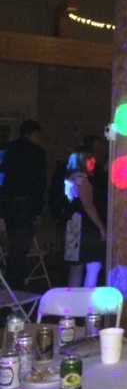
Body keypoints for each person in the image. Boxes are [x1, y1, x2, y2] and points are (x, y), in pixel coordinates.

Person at [0, 119, 47, 289]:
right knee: (21, 245)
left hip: (7, 203)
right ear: (34, 133)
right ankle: (14, 282)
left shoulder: (6, 149)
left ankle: (11, 280)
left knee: (14, 241)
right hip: (26, 205)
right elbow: (39, 183)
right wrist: (38, 211)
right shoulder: (37, 152)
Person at [63, 146, 107, 288]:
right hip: (85, 227)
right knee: (93, 265)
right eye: (89, 159)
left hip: (73, 224)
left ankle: (73, 298)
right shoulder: (82, 180)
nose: (93, 161)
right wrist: (101, 227)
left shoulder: (70, 178)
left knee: (76, 266)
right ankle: (87, 297)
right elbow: (88, 205)